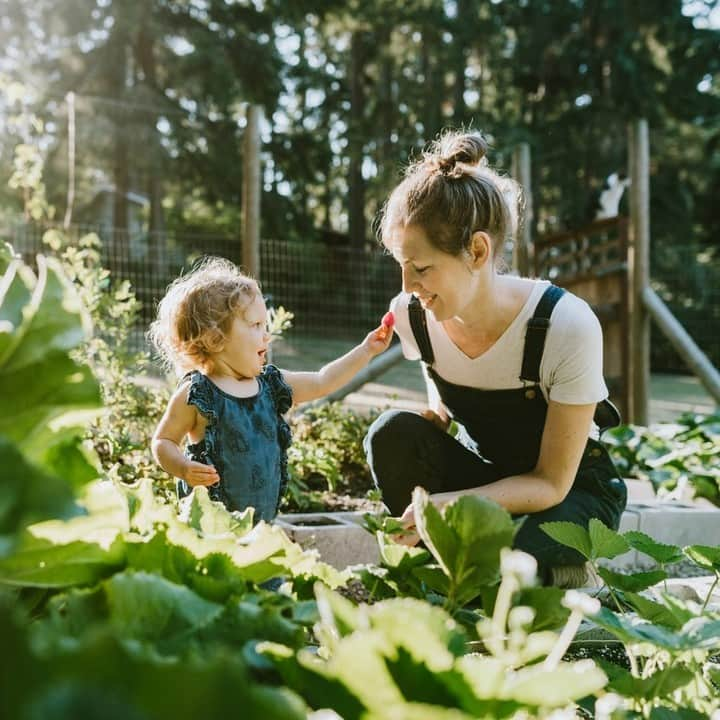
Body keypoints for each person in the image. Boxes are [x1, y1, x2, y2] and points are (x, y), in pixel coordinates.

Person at [364, 131, 627, 587]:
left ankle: (565, 574)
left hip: (567, 497)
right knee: (391, 434)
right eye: (401, 265)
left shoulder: (564, 324)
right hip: (492, 477)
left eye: (422, 268)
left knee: (502, 545)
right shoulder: (414, 315)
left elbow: (550, 483)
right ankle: (457, 570)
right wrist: (437, 419)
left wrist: (457, 505)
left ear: (478, 251)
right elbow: (442, 383)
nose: (408, 286)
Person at [150, 257, 393, 523]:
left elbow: (323, 381)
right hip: (211, 524)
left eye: (265, 326)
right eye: (255, 326)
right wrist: (183, 468)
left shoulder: (270, 385)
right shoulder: (197, 395)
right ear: (215, 338)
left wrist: (367, 350)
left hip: (262, 522)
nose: (266, 335)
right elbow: (163, 442)